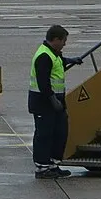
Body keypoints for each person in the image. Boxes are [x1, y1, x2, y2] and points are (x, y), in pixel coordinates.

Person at [31, 24, 79, 177]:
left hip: (56, 101)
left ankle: (52, 164)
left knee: (59, 133)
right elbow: (43, 81)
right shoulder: (44, 56)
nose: (65, 43)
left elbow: (58, 63)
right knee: (44, 134)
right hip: (44, 102)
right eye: (64, 40)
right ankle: (42, 167)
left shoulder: (54, 53)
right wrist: (52, 99)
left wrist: (71, 60)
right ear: (56, 39)